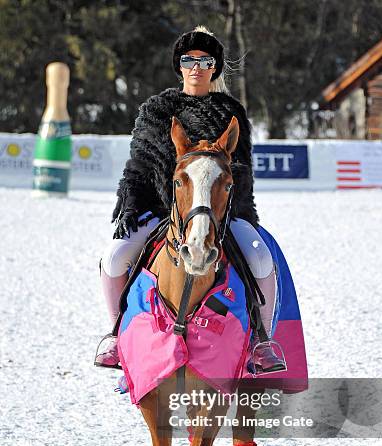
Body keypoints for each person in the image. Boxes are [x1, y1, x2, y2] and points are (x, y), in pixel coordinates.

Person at [95, 25, 281, 373]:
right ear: (179, 66)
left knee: (260, 258)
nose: (196, 67)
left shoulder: (231, 111)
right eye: (189, 60)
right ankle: (117, 335)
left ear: (216, 67)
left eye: (204, 60)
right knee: (114, 257)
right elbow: (138, 165)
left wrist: (238, 212)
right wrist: (132, 204)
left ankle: (261, 340)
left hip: (217, 212)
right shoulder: (157, 109)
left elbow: (240, 169)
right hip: (160, 210)